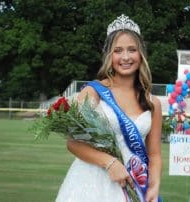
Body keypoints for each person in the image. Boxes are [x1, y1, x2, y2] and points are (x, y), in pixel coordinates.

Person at [56, 14, 163, 202]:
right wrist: (109, 163)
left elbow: (154, 155)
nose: (126, 57)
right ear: (109, 55)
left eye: (132, 50)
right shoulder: (93, 92)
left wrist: (154, 186)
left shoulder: (152, 102)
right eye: (118, 51)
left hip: (134, 184)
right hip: (91, 182)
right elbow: (73, 143)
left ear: (141, 54)